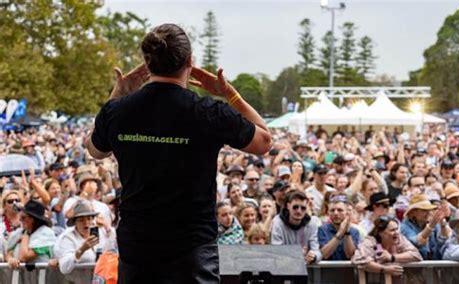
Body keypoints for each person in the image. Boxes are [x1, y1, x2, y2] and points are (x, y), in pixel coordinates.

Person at [85, 23, 272, 283]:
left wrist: (118, 94)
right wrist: (228, 93)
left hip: (138, 248)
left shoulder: (118, 110)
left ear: (146, 62)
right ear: (189, 62)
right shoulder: (208, 111)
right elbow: (264, 142)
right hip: (191, 250)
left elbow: (94, 149)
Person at [352, 216, 422, 282]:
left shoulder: (400, 238)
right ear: (381, 233)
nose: (396, 232)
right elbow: (362, 260)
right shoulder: (369, 241)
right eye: (392, 230)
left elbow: (416, 254)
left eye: (397, 229)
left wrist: (392, 257)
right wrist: (385, 269)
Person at [54, 201, 106, 283]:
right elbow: (64, 267)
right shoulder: (68, 238)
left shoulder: (101, 234)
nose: (86, 223)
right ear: (75, 223)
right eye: (81, 220)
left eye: (89, 219)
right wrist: (82, 249)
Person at [271, 191, 322, 264]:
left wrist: (313, 257)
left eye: (303, 208)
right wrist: (296, 253)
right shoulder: (278, 222)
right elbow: (276, 250)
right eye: (295, 207)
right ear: (288, 206)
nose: (299, 211)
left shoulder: (312, 223)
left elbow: (317, 251)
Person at [5, 200, 57, 268]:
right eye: (20, 216)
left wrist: (25, 237)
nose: (20, 219)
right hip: (21, 276)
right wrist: (11, 259)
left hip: (41, 276)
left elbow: (24, 257)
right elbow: (9, 252)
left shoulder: (46, 234)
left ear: (33, 219)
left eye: (23, 217)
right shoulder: (20, 231)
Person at [400, 194, 451, 260]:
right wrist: (431, 225)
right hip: (416, 267)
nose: (428, 213)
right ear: (413, 212)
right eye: (424, 210)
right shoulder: (405, 227)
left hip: (435, 265)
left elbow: (443, 240)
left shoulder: (432, 222)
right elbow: (418, 242)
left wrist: (442, 223)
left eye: (429, 210)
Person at [318, 195, 360, 260]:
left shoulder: (354, 231)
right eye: (332, 210)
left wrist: (347, 233)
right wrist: (339, 234)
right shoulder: (322, 229)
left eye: (340, 210)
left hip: (347, 270)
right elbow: (324, 254)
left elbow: (350, 255)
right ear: (328, 213)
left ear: (347, 213)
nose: (336, 213)